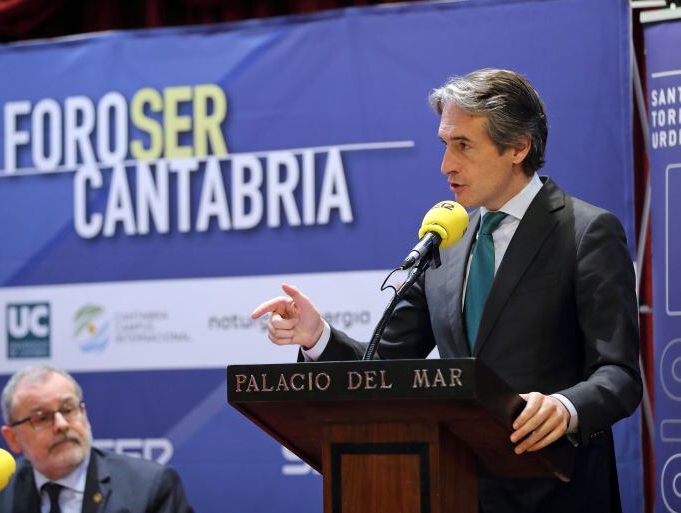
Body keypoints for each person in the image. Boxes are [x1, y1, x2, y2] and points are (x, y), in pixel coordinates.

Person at [251, 68, 641, 513]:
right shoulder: (445, 241)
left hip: (558, 495)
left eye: (463, 146)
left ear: (518, 146)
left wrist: (565, 408)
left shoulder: (585, 232)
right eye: (445, 145)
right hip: (455, 492)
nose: (446, 165)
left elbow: (619, 375)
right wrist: (317, 335)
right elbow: (382, 368)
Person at [0, 365, 194, 513]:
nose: (61, 424)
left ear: (84, 414)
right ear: (13, 438)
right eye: (41, 418)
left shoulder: (149, 487)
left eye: (68, 409)